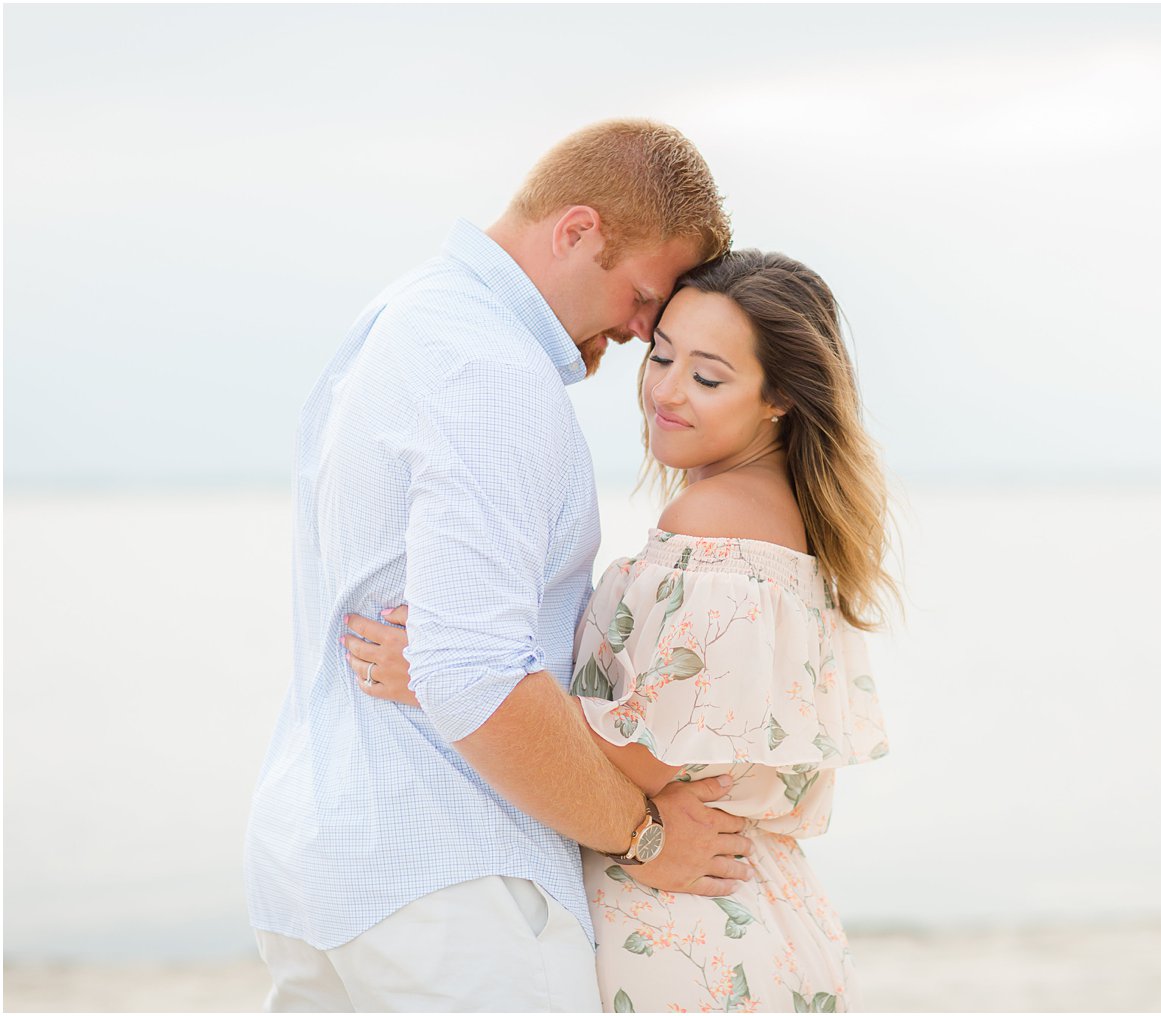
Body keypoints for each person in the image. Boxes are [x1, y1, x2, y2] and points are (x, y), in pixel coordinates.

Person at [245, 119, 755, 1013]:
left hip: (320, 866)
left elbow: (442, 648)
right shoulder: (489, 370)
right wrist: (644, 838)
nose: (643, 332)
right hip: (449, 885)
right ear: (577, 231)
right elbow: (471, 675)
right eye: (642, 296)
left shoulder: (407, 317)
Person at [347, 250, 896, 1012]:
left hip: (687, 933)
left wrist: (452, 675)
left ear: (780, 398)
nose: (665, 391)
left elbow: (647, 757)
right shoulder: (787, 526)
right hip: (760, 908)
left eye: (707, 377)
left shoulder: (714, 526)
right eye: (661, 356)